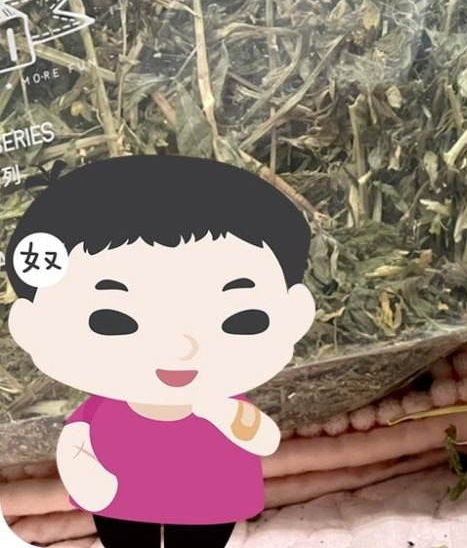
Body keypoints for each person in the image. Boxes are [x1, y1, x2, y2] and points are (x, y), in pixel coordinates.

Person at [4, 155, 317, 548]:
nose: (181, 348)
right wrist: (87, 476)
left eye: (241, 318)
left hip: (209, 497)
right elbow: (77, 443)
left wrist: (227, 416)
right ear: (33, 326)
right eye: (112, 320)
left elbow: (263, 439)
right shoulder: (100, 411)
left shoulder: (222, 402)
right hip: (123, 500)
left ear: (294, 315)